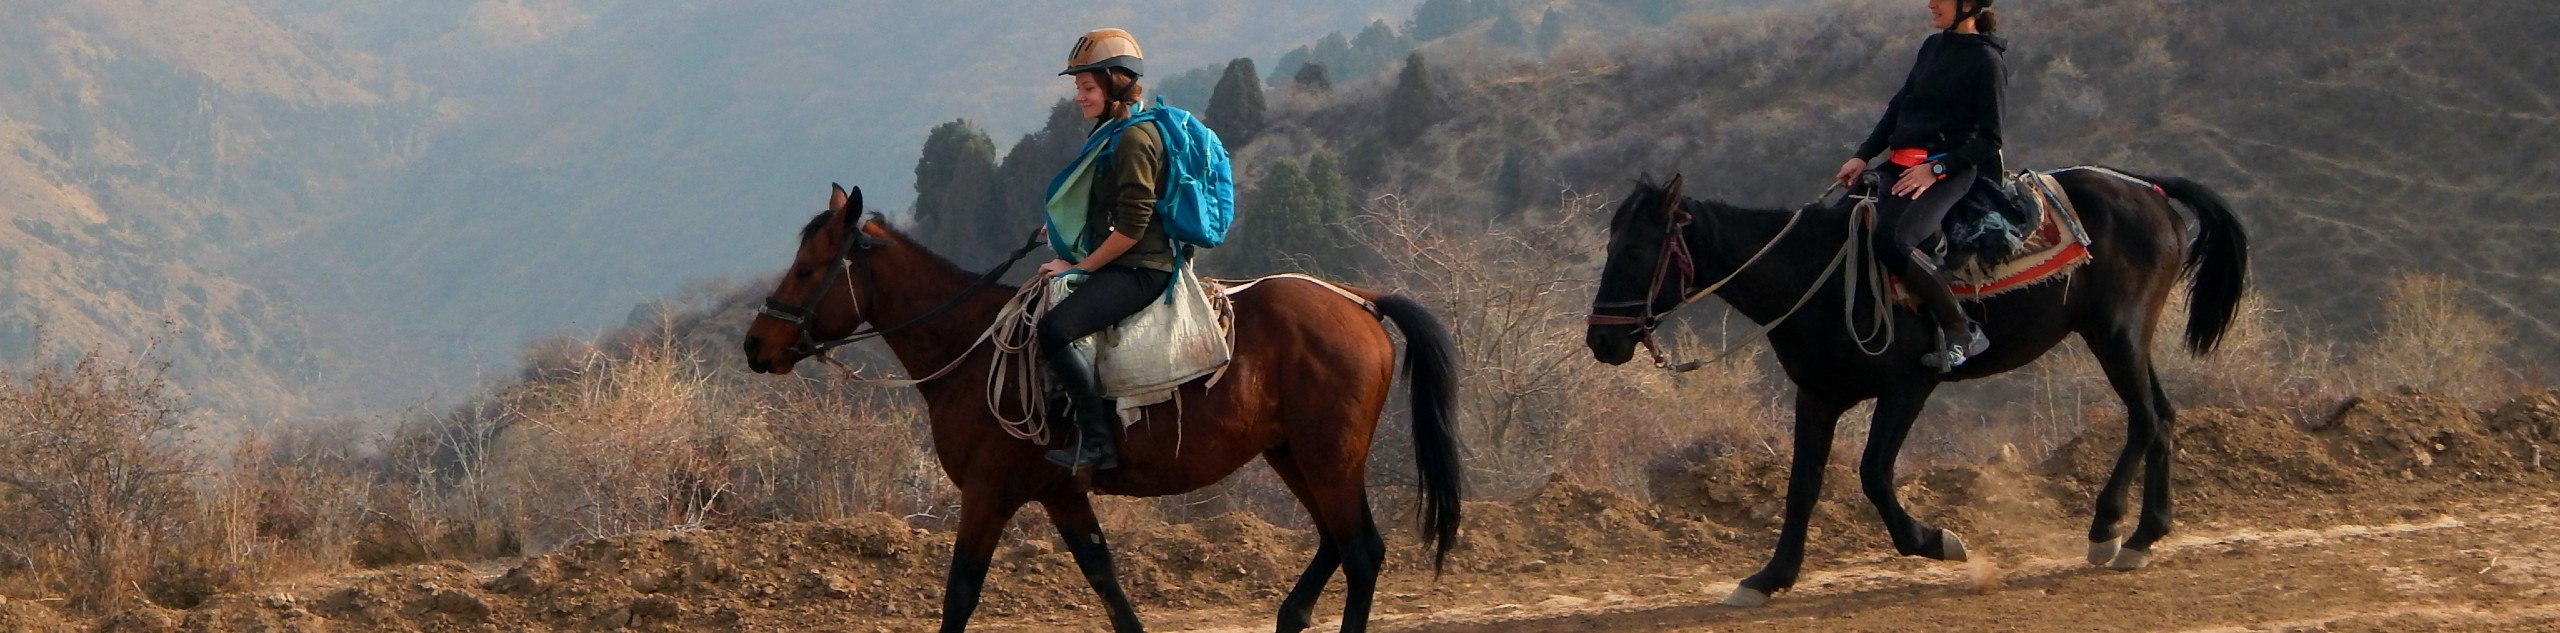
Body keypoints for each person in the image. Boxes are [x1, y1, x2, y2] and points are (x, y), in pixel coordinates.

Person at [1830, 0, 2010, 372]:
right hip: (1900, 162)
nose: (1931, 3)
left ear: (1969, 5)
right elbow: (1899, 107)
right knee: (1836, 223)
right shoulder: (1932, 46)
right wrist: (1863, 155)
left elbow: (1989, 139)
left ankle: (1962, 329)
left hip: (1951, 171)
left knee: (1892, 240)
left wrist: (1937, 169)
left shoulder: (1987, 62)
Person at [1035, 28, 1178, 472]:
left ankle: (1097, 444)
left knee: (1055, 331)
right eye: (1079, 88)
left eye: (1088, 87)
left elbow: (1132, 229)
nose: (1079, 97)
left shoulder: (1135, 139)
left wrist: (1075, 269)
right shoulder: (1114, 131)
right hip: (1123, 262)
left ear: (1116, 84)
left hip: (1140, 269)